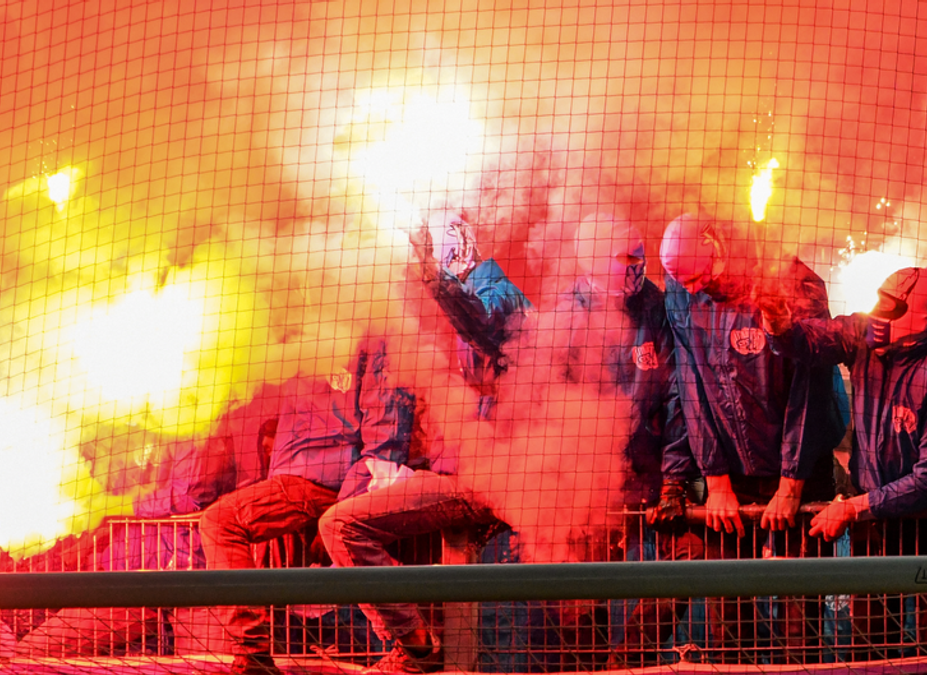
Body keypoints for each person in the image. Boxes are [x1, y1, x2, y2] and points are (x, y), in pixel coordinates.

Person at [318, 212, 681, 673]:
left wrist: (667, 478)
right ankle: (419, 646)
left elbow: (486, 325)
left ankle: (611, 664)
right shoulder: (421, 306)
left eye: (639, 257)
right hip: (480, 475)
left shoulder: (509, 296)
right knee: (342, 525)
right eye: (623, 258)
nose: (634, 268)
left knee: (579, 611)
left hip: (548, 488)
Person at [199, 338, 415, 675]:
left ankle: (253, 655)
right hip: (299, 478)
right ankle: (255, 654)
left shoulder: (368, 335)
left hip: (324, 479)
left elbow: (383, 433)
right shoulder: (296, 334)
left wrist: (343, 509)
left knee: (220, 521)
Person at [657, 213, 844, 537]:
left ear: (715, 248)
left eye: (700, 278)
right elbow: (691, 384)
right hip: (732, 475)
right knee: (729, 582)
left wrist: (791, 485)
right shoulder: (680, 288)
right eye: (685, 283)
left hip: (800, 472)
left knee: (795, 583)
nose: (695, 288)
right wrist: (716, 481)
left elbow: (810, 394)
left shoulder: (791, 282)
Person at [757, 267, 927, 540]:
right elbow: (805, 343)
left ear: (920, 321)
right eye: (878, 300)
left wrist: (852, 509)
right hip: (868, 518)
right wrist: (777, 317)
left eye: (889, 307)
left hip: (923, 527)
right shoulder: (861, 334)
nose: (876, 313)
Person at [410, 208, 531, 422]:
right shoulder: (475, 297)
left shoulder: (501, 293)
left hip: (526, 425)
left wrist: (433, 271)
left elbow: (480, 320)